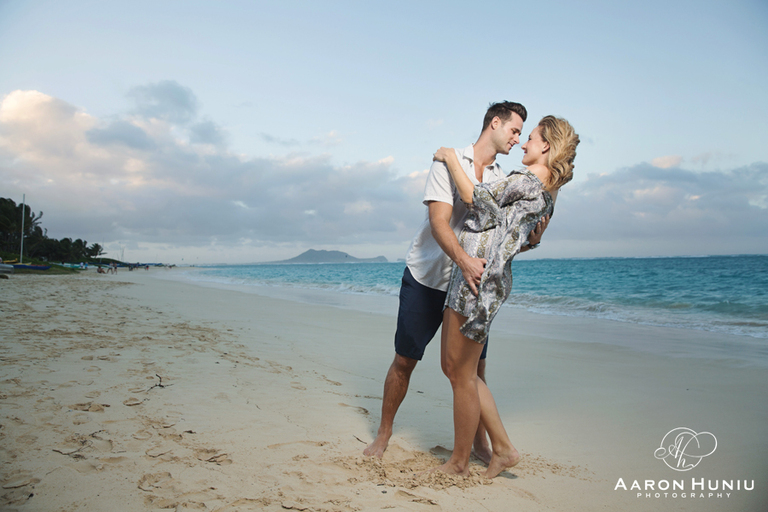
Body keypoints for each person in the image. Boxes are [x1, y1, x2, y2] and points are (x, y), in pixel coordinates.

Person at [364, 102, 549, 461]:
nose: (517, 139)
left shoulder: (503, 178)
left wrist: (531, 242)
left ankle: (479, 445)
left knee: (474, 370)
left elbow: (502, 240)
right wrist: (463, 261)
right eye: (514, 130)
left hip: (470, 288)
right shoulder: (446, 162)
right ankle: (383, 434)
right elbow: (439, 222)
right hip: (428, 278)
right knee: (405, 360)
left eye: (522, 134)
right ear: (494, 123)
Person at [430, 115, 579, 478]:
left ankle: (460, 463)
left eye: (530, 138)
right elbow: (518, 239)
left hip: (479, 277)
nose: (523, 143)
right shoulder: (548, 189)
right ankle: (501, 448)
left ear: (546, 145)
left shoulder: (531, 179)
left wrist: (450, 157)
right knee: (456, 369)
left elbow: (475, 197)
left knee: (461, 374)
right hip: (480, 276)